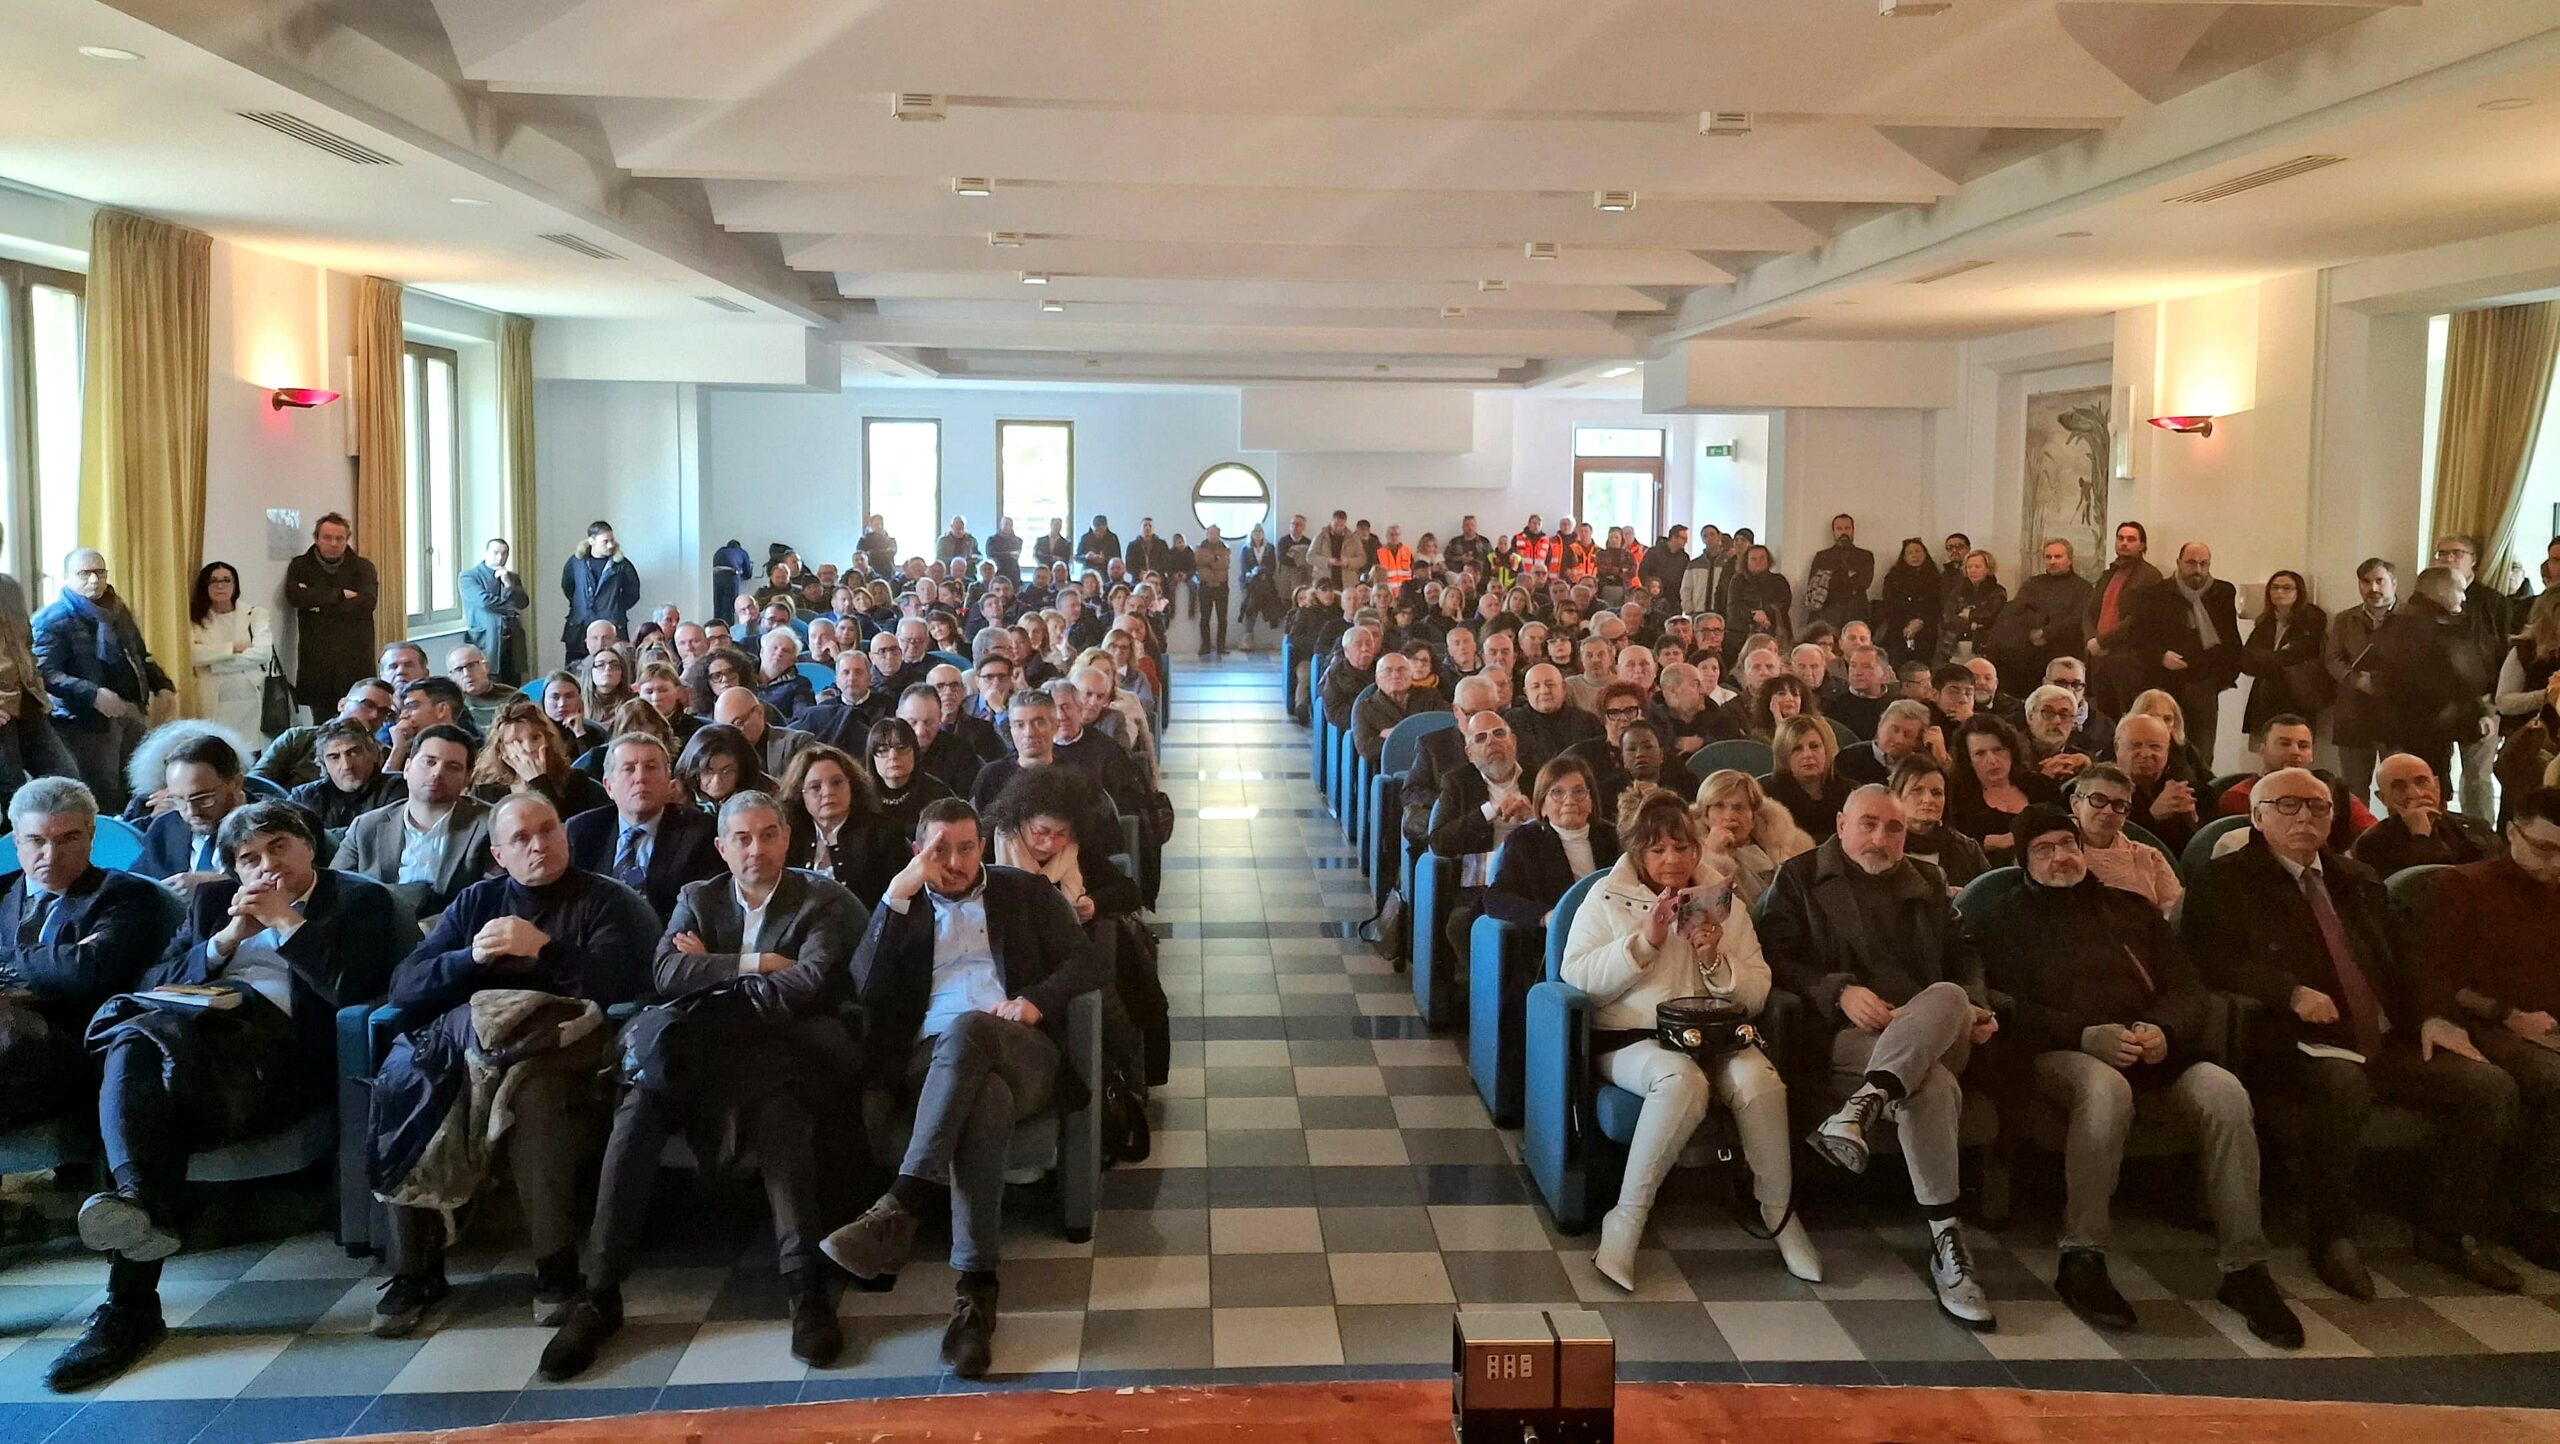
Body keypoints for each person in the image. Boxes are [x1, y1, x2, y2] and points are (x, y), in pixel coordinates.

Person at [46, 802, 402, 1391]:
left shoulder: (358, 900)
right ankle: (134, 1234)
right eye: (248, 858)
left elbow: (355, 992)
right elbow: (154, 981)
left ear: (308, 845)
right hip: (191, 1050)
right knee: (136, 1045)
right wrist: (225, 941)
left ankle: (129, 1295)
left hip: (280, 1061)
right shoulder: (214, 902)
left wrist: (287, 923)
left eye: (279, 847)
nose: (267, 866)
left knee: (136, 1063)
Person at [539, 790, 868, 1379]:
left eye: (768, 835)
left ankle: (806, 1291)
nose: (756, 849)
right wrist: (758, 964)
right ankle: (600, 1295)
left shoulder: (820, 902)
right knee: (635, 1115)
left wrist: (710, 969)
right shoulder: (698, 896)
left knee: (781, 1119)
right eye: (742, 838)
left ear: (787, 839)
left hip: (781, 1053)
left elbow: (811, 983)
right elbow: (667, 972)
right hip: (696, 1053)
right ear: (722, 847)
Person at [2181, 767, 2522, 1298]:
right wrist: (2289, 991)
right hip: (2294, 1038)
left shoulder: (2356, 877)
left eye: (2318, 806)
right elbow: (2211, 960)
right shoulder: (2227, 881)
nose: (2305, 817)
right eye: (2288, 805)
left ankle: (2449, 1229)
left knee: (2488, 1086)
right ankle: (2333, 1235)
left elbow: (2410, 957)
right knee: (2343, 1085)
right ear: (2257, 817)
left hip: (2383, 1035)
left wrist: (2434, 1016)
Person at [1973, 805, 2301, 1344]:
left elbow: (2188, 988)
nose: (2060, 857)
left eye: (2068, 844)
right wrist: (2084, 1034)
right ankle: (2082, 1254)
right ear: (2024, 861)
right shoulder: (2003, 919)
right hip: (2061, 1052)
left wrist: (2163, 1030)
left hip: (2154, 1051)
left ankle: (2245, 1266)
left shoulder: (2131, 909)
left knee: (2225, 1094)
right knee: (2105, 1090)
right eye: (2044, 849)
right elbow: (2005, 1006)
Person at [822, 800, 1101, 1379]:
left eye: (967, 848)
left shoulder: (1024, 892)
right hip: (933, 1063)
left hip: (1023, 1050)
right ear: (918, 852)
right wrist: (895, 896)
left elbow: (1087, 963)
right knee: (984, 1099)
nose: (954, 862)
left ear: (982, 847)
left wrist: (1035, 1000)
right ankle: (976, 1295)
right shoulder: (902, 906)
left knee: (972, 1027)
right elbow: (863, 989)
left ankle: (903, 1202)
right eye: (939, 850)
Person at [369, 792, 657, 1338]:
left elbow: (619, 986)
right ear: (500, 855)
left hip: (572, 1046)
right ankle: (414, 1270)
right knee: (406, 1076)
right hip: (477, 1044)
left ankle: (555, 1267)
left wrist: (543, 948)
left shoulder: (607, 900)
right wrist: (470, 958)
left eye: (548, 830)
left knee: (531, 1090)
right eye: (521, 839)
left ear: (565, 834)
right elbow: (405, 985)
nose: (539, 845)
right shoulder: (478, 902)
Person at [1758, 785, 1999, 1329]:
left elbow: (1964, 956)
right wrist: (1838, 991)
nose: (1880, 838)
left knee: (1951, 996)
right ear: (1841, 824)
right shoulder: (1799, 877)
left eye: (1894, 828)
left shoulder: (1928, 880)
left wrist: (1976, 1005)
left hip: (1932, 1025)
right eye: (1868, 824)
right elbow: (1775, 957)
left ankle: (1861, 1107)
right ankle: (1947, 1242)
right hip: (1851, 1035)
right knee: (1930, 1086)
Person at [1562, 791, 1819, 1288]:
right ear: (1639, 851)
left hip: (1714, 1035)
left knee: (1760, 1082)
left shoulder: (1722, 901)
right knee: (1681, 1081)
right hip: (1632, 1038)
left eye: (1682, 848)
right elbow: (1579, 979)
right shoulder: (1607, 896)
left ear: (1697, 848)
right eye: (1657, 850)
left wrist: (1714, 960)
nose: (1672, 860)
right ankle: (1626, 1218)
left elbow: (1758, 990)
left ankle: (1779, 1214)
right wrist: (1643, 943)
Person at [2413, 786, 2560, 1268]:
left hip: (2544, 1023)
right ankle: (2534, 1213)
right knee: (2547, 1078)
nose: (2556, 863)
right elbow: (2437, 977)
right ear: (2512, 833)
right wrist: (2507, 1014)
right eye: (2545, 848)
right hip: (2482, 1022)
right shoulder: (2462, 886)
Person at [0, 779, 177, 1133]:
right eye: (36, 840)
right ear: (16, 840)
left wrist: (10, 962)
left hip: (74, 1045)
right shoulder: (1, 891)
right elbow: (72, 964)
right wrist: (60, 957)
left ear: (91, 835)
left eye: (68, 839)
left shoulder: (127, 895)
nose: (51, 855)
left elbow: (86, 970)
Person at [36, 550, 176, 812]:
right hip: (85, 722)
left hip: (131, 712)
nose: (94, 580)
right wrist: (92, 694)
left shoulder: (118, 611)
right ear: (67, 577)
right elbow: (44, 673)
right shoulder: (51, 620)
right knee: (103, 792)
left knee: (138, 786)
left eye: (99, 572)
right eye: (84, 573)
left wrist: (162, 684)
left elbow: (139, 655)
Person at [335, 724, 491, 920]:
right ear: (407, 768)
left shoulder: (489, 825)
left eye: (453, 767)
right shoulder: (366, 827)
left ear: (467, 778)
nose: (437, 773)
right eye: (429, 762)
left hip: (455, 932)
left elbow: (496, 898)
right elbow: (333, 891)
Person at [565, 733, 725, 922]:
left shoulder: (701, 832)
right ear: (608, 787)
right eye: (629, 769)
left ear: (668, 781)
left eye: (651, 767)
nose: (641, 778)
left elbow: (702, 909)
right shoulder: (581, 831)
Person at [2373, 566, 2495, 808]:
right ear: (2441, 591)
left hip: (2411, 728)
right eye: (2459, 590)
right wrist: (2475, 711)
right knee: (2425, 794)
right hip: (2426, 728)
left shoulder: (2401, 623)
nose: (2464, 597)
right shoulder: (2426, 628)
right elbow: (2455, 678)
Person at [1428, 709, 1534, 965]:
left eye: (1499, 734)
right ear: (1470, 753)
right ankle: (1481, 984)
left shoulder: (1539, 777)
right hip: (1481, 882)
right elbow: (1439, 842)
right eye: (1481, 738)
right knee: (1461, 924)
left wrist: (1533, 818)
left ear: (1513, 742)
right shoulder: (1457, 782)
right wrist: (1490, 810)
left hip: (1532, 877)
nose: (1492, 742)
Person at [1483, 758, 1619, 930]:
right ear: (1542, 807)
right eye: (1557, 793)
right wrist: (1546, 916)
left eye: (1579, 791)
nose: (1569, 801)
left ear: (1591, 802)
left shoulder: (1613, 836)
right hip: (1557, 933)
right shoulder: (1525, 841)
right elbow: (1495, 898)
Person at [2213, 715, 2375, 844]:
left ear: (2311, 754)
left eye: (2303, 746)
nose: (2295, 752)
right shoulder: (2239, 796)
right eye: (2284, 744)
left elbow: (2371, 834)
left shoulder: (2333, 791)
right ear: (2262, 750)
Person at [283, 513, 380, 721]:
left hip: (355, 659)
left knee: (359, 722)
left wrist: (318, 603)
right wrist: (341, 595)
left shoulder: (363, 567)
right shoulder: (300, 566)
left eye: (339, 538)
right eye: (327, 538)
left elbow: (367, 603)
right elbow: (295, 596)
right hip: (317, 661)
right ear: (316, 538)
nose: (334, 543)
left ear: (347, 540)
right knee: (323, 726)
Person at [780, 743, 905, 899]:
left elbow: (903, 897)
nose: (828, 792)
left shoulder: (883, 834)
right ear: (800, 794)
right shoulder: (789, 836)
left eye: (836, 783)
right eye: (815, 787)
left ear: (851, 785)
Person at [132, 732, 250, 893]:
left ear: (236, 783)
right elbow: (134, 885)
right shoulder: (165, 828)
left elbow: (279, 881)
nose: (191, 812)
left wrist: (217, 883)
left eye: (203, 798)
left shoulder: (270, 825)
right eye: (178, 800)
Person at [2350, 752, 2502, 877]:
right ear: (2382, 798)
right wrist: (2421, 835)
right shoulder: (2373, 843)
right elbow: (2426, 885)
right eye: (2399, 787)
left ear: (2437, 785)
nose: (2415, 793)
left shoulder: (2474, 827)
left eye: (2421, 782)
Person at [2325, 557, 2399, 803]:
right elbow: (2332, 659)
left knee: (2398, 784)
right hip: (2353, 713)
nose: (2373, 588)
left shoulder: (2411, 617)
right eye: (2366, 582)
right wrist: (2357, 680)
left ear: (2394, 583)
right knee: (2354, 788)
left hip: (2396, 714)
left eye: (2380, 581)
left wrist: (2383, 682)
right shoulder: (2344, 619)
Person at [2066, 764, 2182, 914]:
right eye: (2098, 800)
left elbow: (2175, 913)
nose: (2108, 811)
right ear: (2076, 804)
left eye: (2119, 805)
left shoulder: (2149, 857)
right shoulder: (2056, 856)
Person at [1692, 769, 1813, 907]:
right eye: (1719, 806)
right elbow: (1701, 907)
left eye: (1739, 807)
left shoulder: (1789, 844)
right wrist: (1712, 854)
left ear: (1753, 815)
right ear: (1706, 814)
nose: (1730, 816)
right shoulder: (1689, 851)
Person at [473, 700, 611, 821]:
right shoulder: (486, 791)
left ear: (547, 740)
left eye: (535, 738)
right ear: (503, 750)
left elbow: (563, 830)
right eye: (517, 742)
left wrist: (539, 782)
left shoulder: (575, 781)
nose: (529, 748)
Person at [187, 561, 274, 747]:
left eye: (226, 580)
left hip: (251, 699)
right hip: (214, 701)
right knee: (218, 748)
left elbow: (263, 653)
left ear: (235, 585)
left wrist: (215, 664)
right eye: (214, 581)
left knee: (251, 751)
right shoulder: (195, 619)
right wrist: (232, 647)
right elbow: (193, 655)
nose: (220, 586)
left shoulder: (255, 614)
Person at [2082, 521, 2164, 715]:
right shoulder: (2108, 574)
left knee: (2130, 717)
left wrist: (2102, 641)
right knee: (2103, 718)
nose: (2124, 543)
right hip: (2100, 659)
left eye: (2131, 539)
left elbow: (2138, 619)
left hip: (2128, 660)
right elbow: (2089, 611)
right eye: (2120, 538)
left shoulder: (2150, 576)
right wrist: (2091, 639)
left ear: (2142, 545)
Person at [255, 678, 395, 789]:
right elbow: (255, 782)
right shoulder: (297, 739)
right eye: (367, 705)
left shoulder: (385, 754)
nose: (374, 715)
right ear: (342, 704)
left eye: (384, 712)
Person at [1949, 715, 2050, 866]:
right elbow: (1955, 844)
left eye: (1998, 750)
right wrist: (1999, 841)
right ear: (1968, 760)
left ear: (2011, 751)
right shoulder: (1957, 798)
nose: (1992, 760)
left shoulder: (2040, 786)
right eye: (1980, 753)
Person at [2238, 569, 2329, 737]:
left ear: (2298, 592)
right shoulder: (2265, 622)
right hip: (2264, 698)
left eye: (2286, 588)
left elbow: (2294, 656)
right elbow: (2246, 660)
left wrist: (2266, 658)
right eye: (2275, 587)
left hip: (2295, 698)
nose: (2280, 592)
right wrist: (2276, 657)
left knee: (2292, 746)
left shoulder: (2311, 620)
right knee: (2263, 748)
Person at [1991, 538, 2093, 687]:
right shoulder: (2033, 584)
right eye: (2048, 557)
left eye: (2058, 557)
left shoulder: (2083, 588)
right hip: (2031, 655)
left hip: (2064, 654)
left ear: (2070, 559)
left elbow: (2077, 620)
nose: (2052, 561)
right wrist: (2033, 627)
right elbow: (2016, 611)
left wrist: (2046, 633)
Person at [1889, 755, 1990, 892]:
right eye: (1917, 790)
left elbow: (1989, 895)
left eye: (1937, 793)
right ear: (1897, 796)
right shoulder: (1885, 847)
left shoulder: (1967, 849)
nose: (1928, 799)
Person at [286, 719, 405, 830]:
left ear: (373, 753)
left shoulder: (397, 788)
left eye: (354, 753)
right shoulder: (304, 797)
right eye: (334, 757)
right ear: (324, 764)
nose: (346, 766)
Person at [2112, 713, 2202, 856]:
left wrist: (2192, 820)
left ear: (2167, 751)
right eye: (2136, 746)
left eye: (2155, 747)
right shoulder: (2103, 787)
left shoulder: (2179, 784)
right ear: (2117, 748)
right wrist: (2152, 816)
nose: (2146, 754)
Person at [561, 521, 640, 665]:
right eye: (605, 541)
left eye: (612, 540)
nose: (610, 545)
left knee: (614, 666)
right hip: (579, 627)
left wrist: (616, 607)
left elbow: (633, 592)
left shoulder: (621, 565)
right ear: (592, 541)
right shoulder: (576, 563)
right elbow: (568, 587)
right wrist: (580, 605)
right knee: (576, 668)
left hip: (613, 626)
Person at [867, 717, 957, 834]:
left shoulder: (939, 796)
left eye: (901, 748)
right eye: (883, 750)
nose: (893, 756)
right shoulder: (860, 796)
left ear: (915, 752)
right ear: (872, 757)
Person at [459, 538, 531, 684]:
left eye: (504, 554)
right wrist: (510, 607)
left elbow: (523, 603)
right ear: (486, 553)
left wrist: (508, 584)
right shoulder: (469, 576)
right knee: (489, 681)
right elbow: (485, 602)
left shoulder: (511, 577)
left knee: (513, 684)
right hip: (487, 638)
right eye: (496, 553)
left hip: (512, 640)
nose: (500, 557)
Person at [1763, 714, 1843, 841]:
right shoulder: (1770, 799)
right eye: (1797, 749)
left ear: (1826, 750)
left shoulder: (1846, 789)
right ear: (1783, 756)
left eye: (1814, 746)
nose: (1808, 755)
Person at [713, 684, 817, 780]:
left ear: (760, 712)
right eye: (724, 729)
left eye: (738, 723)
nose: (731, 734)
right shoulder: (717, 754)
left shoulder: (797, 743)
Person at [1876, 539, 1941, 668]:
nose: (1914, 555)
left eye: (1918, 551)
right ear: (1904, 557)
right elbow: (1889, 606)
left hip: (1927, 630)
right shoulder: (1893, 578)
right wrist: (1908, 624)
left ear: (1925, 554)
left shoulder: (1936, 578)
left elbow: (1937, 605)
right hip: (1898, 629)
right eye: (1910, 553)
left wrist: (1920, 621)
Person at [1804, 514, 1874, 631]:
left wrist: (1832, 578)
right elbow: (1814, 586)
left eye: (1847, 528)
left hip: (1856, 613)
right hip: (1828, 612)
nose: (1844, 532)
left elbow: (1864, 582)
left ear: (1853, 530)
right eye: (1839, 529)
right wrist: (1849, 576)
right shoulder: (1822, 557)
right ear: (1834, 532)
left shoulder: (1865, 556)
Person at [1940, 550, 2006, 663]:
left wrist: (1969, 615)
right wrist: (1971, 623)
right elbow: (1948, 616)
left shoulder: (1998, 592)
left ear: (1988, 569)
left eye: (1977, 566)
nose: (1973, 570)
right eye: (1969, 567)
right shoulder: (1958, 591)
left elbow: (1991, 617)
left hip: (1984, 646)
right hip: (1954, 645)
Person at [1193, 524, 1232, 658]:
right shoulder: (1200, 547)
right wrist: (1215, 558)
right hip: (1205, 587)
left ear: (1219, 534)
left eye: (1215, 533)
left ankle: (1221, 646)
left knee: (1222, 618)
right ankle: (1205, 646)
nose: (1213, 535)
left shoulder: (1225, 548)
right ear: (1207, 534)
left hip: (1221, 586)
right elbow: (1198, 560)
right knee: (1205, 618)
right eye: (1210, 533)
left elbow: (1225, 563)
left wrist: (1209, 561)